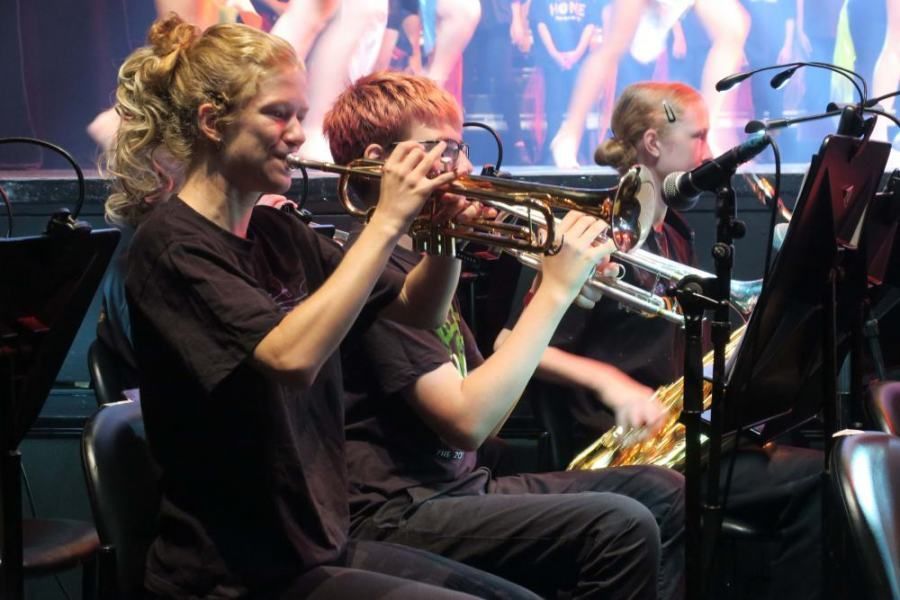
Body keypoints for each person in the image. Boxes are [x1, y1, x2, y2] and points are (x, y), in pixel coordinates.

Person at [106, 14, 543, 598]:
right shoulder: (172, 245)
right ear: (212, 122)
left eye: (300, 116)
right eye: (278, 114)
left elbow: (417, 312)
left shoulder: (277, 231)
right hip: (233, 573)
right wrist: (387, 220)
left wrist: (442, 237)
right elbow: (291, 358)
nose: (296, 135)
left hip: (311, 543)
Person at [324, 71, 686, 600]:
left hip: (458, 487)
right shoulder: (371, 272)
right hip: (397, 509)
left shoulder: (427, 268)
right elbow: (468, 422)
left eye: (462, 149)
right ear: (380, 161)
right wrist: (555, 292)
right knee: (620, 524)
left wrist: (552, 294)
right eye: (443, 150)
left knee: (662, 490)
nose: (464, 169)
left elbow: (490, 408)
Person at [502, 81, 824, 600]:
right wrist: (611, 382)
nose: (710, 153)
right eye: (699, 137)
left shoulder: (673, 231)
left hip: (677, 434)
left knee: (820, 469)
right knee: (820, 480)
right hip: (623, 445)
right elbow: (512, 343)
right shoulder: (594, 233)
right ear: (653, 143)